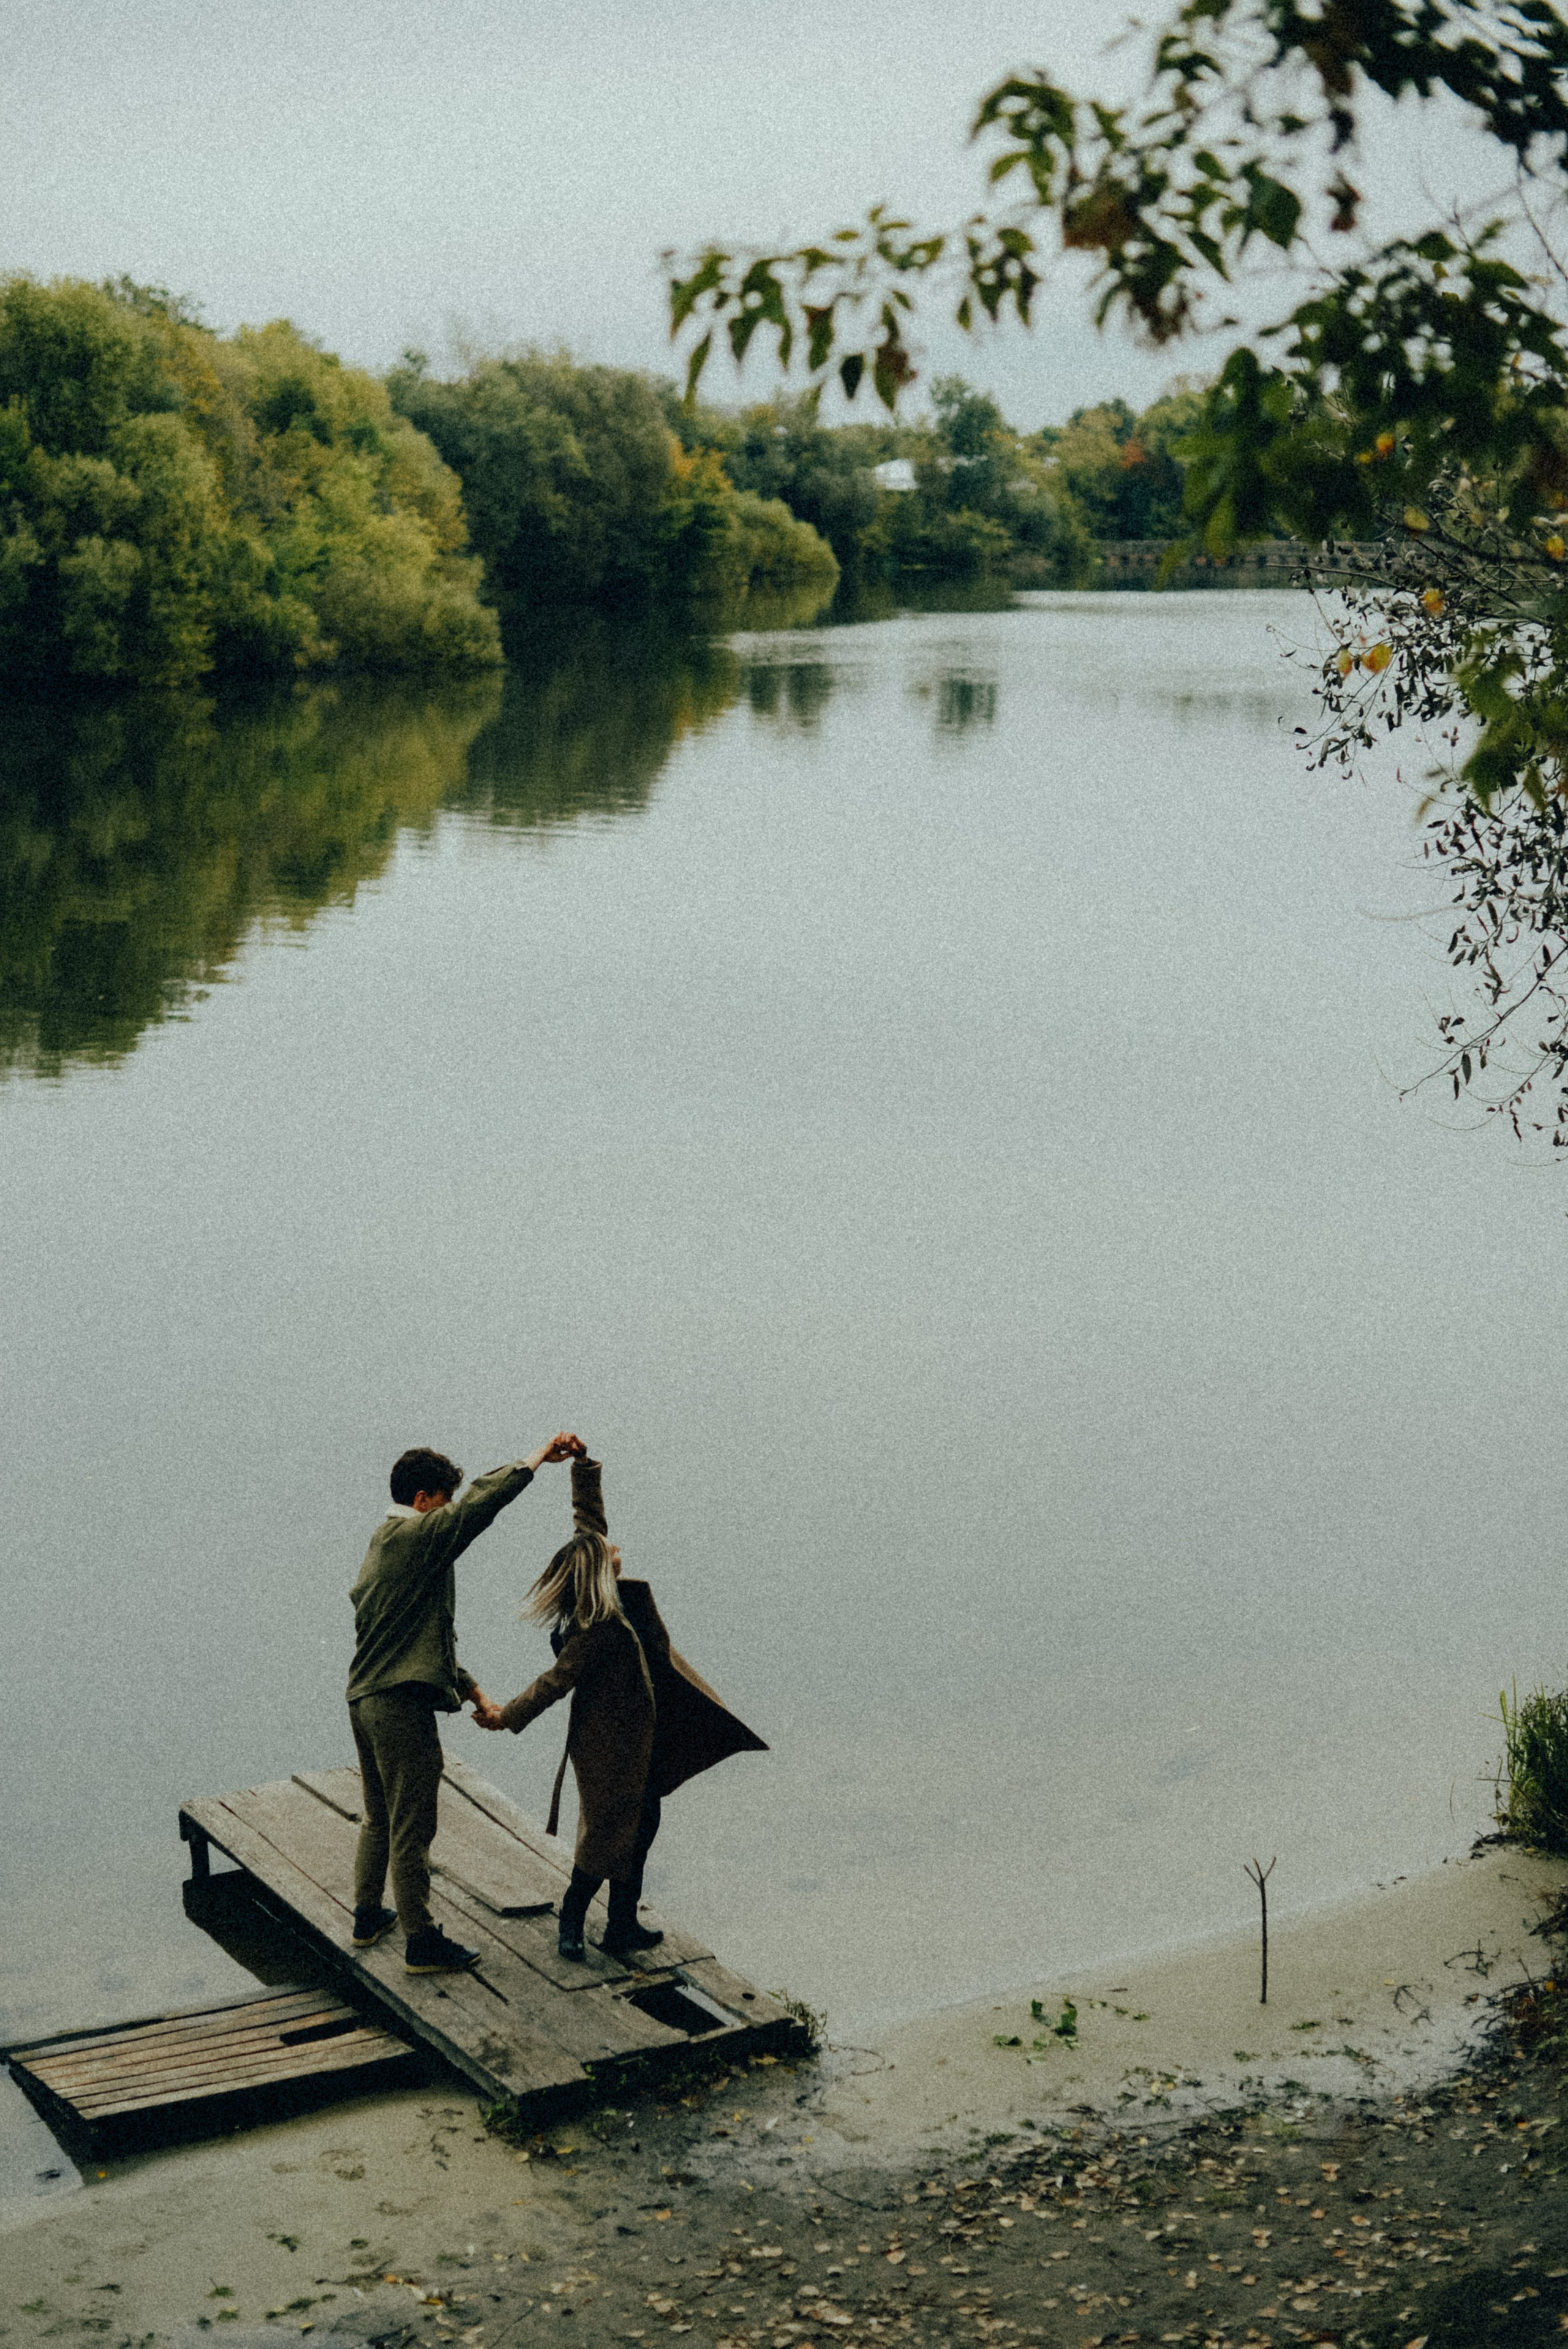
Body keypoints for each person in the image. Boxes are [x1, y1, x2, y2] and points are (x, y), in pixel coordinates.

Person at [487, 1452, 766, 1961]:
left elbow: (589, 1525)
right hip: (608, 1751)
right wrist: (506, 1716)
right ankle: (572, 1920)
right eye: (611, 1550)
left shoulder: (608, 1595)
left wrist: (582, 1469)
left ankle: (621, 1925)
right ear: (601, 1569)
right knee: (605, 1837)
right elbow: (553, 1683)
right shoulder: (595, 1630)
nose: (617, 1548)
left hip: (643, 1740)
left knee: (642, 1828)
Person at [347, 1432, 584, 1974]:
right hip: (399, 1706)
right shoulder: (415, 1536)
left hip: (364, 1700)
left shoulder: (382, 1545)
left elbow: (417, 1639)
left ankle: (367, 1915)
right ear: (423, 1499)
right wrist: (536, 1459)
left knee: (379, 1816)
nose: (449, 1509)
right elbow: (480, 1504)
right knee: (412, 1826)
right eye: (444, 1500)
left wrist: (474, 1690)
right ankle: (421, 1941)